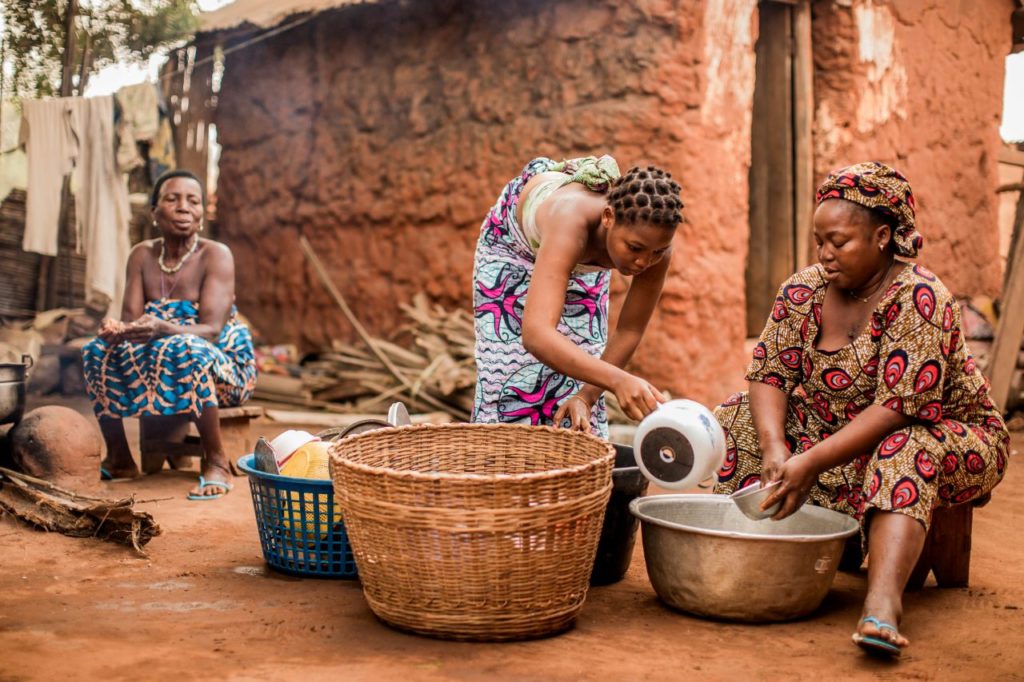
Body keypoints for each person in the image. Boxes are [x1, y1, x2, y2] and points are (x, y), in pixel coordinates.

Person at [713, 161, 1009, 657]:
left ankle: (882, 604)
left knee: (903, 447)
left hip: (948, 435)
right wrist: (775, 446)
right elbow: (768, 373)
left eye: (840, 242)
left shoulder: (919, 297)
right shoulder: (804, 290)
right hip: (839, 434)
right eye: (819, 241)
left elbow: (898, 408)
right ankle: (746, 552)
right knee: (737, 416)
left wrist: (808, 461)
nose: (825, 255)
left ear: (882, 236)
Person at [472, 156, 685, 437]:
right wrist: (618, 380)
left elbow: (630, 329)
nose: (643, 262)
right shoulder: (570, 220)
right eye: (635, 248)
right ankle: (500, 465)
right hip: (514, 245)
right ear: (608, 218)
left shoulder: (653, 247)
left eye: (656, 252)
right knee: (511, 380)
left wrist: (587, 396)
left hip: (589, 251)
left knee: (580, 381)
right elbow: (535, 334)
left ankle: (574, 473)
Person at [82, 170, 257, 500]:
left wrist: (163, 328)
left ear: (202, 214)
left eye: (193, 200)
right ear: (154, 212)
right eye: (172, 199)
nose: (183, 207)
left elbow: (212, 330)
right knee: (95, 350)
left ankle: (217, 462)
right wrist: (115, 331)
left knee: (186, 346)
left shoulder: (215, 255)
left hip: (221, 365)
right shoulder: (142, 255)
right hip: (161, 357)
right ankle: (119, 457)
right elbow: (131, 322)